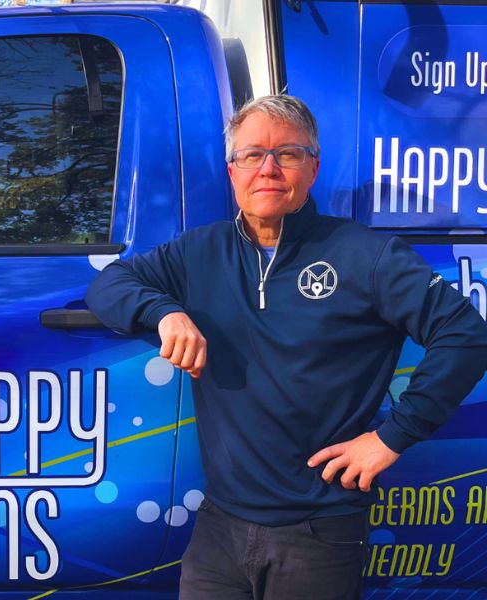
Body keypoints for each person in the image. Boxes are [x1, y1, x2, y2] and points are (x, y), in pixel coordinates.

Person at [85, 95, 487, 599]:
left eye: (288, 154)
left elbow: (467, 335)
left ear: (313, 168)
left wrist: (392, 438)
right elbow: (108, 285)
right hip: (221, 525)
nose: (268, 169)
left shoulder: (366, 255)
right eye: (253, 155)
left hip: (319, 531)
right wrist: (164, 312)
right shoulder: (199, 251)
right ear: (232, 171)